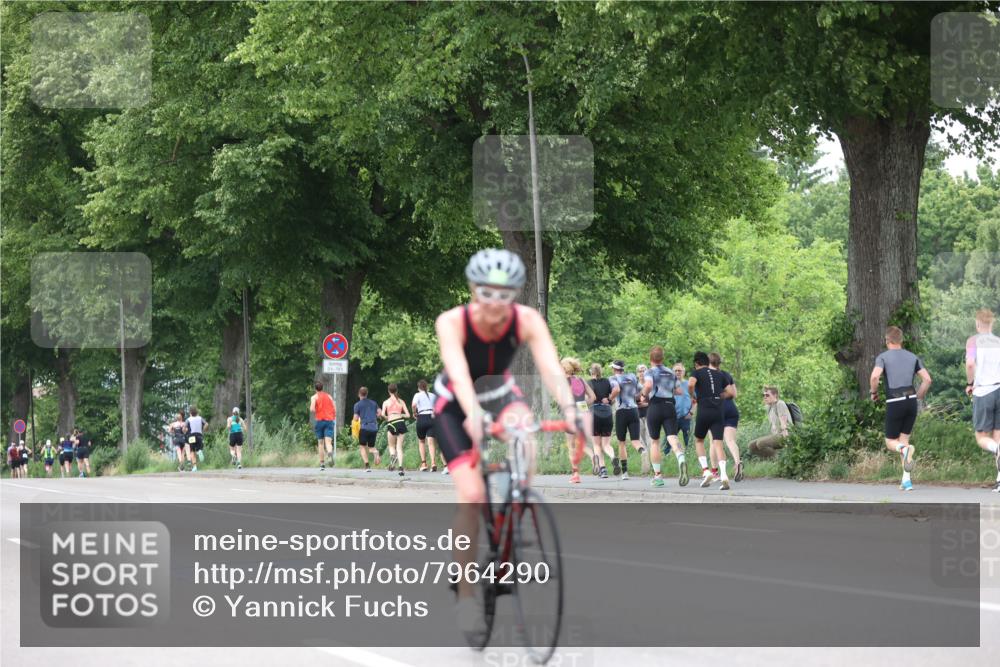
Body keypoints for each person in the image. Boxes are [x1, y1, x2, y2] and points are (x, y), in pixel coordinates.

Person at [432, 248, 580, 644]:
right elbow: (460, 373)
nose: (496, 303)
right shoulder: (452, 321)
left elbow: (550, 367)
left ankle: (512, 520)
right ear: (472, 289)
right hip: (453, 401)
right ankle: (465, 593)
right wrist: (473, 414)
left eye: (505, 294)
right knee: (472, 493)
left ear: (515, 294)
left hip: (500, 392)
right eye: (487, 293)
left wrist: (571, 408)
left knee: (524, 435)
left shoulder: (527, 319)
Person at [870, 326, 932, 491]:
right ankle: (906, 481)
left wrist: (874, 392)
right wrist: (918, 395)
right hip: (911, 401)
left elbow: (875, 376)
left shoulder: (883, 357)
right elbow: (927, 380)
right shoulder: (913, 357)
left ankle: (904, 451)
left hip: (895, 401)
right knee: (904, 440)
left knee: (891, 441)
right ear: (901, 340)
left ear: (887, 340)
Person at [641, 346, 688, 487]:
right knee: (672, 436)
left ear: (651, 359)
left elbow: (648, 385)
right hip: (669, 406)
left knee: (654, 441)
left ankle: (658, 477)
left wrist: (643, 395)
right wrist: (667, 389)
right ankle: (681, 458)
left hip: (655, 407)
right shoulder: (670, 372)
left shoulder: (650, 372)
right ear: (662, 358)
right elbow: (679, 391)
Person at [689, 351, 735, 490]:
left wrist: (693, 395)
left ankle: (706, 471)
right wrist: (719, 397)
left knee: (699, 440)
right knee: (718, 443)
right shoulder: (719, 374)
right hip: (718, 410)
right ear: (707, 362)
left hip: (704, 408)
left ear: (697, 363)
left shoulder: (696, 372)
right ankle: (724, 475)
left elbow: (691, 384)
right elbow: (731, 393)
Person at [966, 309, 1000, 492]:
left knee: (981, 437)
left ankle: (997, 451)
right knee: (998, 437)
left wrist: (970, 383)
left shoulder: (973, 341)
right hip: (999, 390)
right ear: (992, 324)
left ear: (978, 324)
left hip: (984, 391)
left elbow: (970, 364)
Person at [710, 353, 744, 482]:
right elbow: (734, 393)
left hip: (716, 410)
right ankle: (737, 463)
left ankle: (715, 472)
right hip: (731, 409)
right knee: (730, 441)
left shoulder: (707, 376)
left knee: (714, 441)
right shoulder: (726, 375)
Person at [609, 360, 644, 480]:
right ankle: (641, 450)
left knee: (621, 443)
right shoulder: (632, 377)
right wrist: (635, 398)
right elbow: (642, 390)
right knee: (635, 440)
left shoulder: (613, 378)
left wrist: (609, 399)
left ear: (614, 368)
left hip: (621, 412)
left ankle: (625, 473)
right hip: (634, 411)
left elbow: (617, 390)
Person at [563, 357, 595, 483]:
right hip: (583, 412)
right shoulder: (581, 380)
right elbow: (593, 397)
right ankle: (593, 455)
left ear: (565, 368)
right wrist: (582, 403)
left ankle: (575, 474)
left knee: (571, 445)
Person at [748, 386, 793, 458]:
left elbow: (784, 423)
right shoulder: (769, 407)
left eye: (767, 395)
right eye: (764, 395)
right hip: (776, 435)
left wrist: (787, 440)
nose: (765, 397)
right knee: (751, 445)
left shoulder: (780, 404)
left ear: (775, 395)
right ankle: (768, 461)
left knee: (761, 443)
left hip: (785, 434)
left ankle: (777, 460)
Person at [588, 363, 616, 478]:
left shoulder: (588, 383)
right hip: (607, 413)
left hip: (594, 413)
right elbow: (612, 400)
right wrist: (608, 401)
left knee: (596, 444)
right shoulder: (607, 382)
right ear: (601, 371)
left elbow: (588, 399)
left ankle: (603, 470)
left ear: (591, 372)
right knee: (606, 444)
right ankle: (613, 457)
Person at [382, 384, 411, 476]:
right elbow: (408, 415)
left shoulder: (386, 402)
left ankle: (392, 457)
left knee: (391, 446)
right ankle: (400, 467)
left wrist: (388, 417)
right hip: (401, 422)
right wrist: (401, 415)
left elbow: (382, 414)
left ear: (388, 391)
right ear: (397, 391)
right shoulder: (401, 401)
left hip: (391, 423)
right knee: (399, 447)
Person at [412, 380, 440, 472]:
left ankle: (424, 464)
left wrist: (414, 412)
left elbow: (414, 405)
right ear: (427, 387)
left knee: (421, 441)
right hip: (432, 417)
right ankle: (433, 463)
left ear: (418, 387)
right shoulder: (433, 395)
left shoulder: (417, 395)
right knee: (431, 442)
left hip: (421, 417)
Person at [353, 387, 382, 471]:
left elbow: (355, 418)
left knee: (362, 447)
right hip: (374, 427)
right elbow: (380, 412)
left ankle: (367, 465)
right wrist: (375, 416)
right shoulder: (374, 403)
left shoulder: (357, 405)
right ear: (367, 393)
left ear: (359, 394)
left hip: (364, 427)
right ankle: (375, 452)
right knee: (371, 447)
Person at [310, 382, 336, 470]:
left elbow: (312, 409)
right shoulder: (329, 396)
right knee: (328, 442)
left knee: (320, 443)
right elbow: (334, 408)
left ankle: (322, 464)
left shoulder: (314, 397)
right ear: (322, 388)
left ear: (315, 389)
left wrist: (316, 409)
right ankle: (329, 452)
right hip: (329, 420)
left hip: (320, 421)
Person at [672, 362, 694, 456]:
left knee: (688, 440)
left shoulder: (688, 384)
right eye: (675, 371)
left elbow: (696, 400)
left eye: (679, 370)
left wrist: (691, 412)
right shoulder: (669, 385)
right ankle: (667, 457)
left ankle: (689, 457)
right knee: (669, 440)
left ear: (683, 372)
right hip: (672, 417)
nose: (677, 372)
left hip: (686, 417)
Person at [183, 408, 206, 472]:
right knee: (199, 448)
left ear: (190, 413)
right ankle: (199, 452)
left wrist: (185, 432)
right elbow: (206, 424)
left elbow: (184, 428)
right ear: (196, 412)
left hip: (191, 436)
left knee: (192, 451)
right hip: (199, 435)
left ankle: (195, 467)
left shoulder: (188, 419)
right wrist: (203, 430)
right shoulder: (200, 418)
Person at [636, 364, 652, 453]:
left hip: (649, 412)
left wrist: (647, 404)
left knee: (650, 435)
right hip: (637, 413)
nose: (642, 373)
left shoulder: (650, 383)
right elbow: (630, 397)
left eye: (644, 370)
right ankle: (645, 457)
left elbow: (654, 397)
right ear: (637, 373)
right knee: (641, 436)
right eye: (640, 371)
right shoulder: (634, 384)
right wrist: (637, 404)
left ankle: (651, 455)